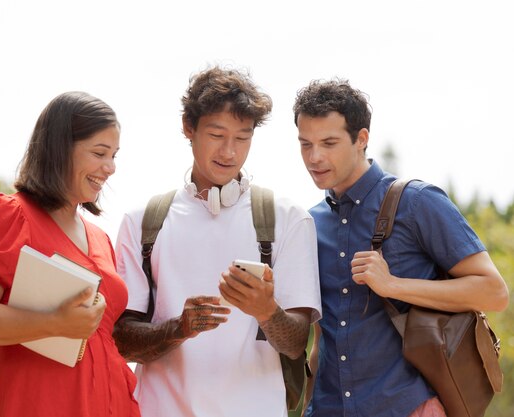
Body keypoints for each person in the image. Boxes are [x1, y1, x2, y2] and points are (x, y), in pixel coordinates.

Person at [292, 79, 509, 417]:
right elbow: (323, 339)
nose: (314, 157)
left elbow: (493, 292)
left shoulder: (417, 201)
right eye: (305, 144)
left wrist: (393, 286)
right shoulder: (310, 224)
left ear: (361, 139)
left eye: (329, 143)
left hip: (406, 407)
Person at [113, 66, 322, 417]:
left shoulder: (289, 219)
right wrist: (178, 328)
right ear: (188, 128)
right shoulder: (142, 222)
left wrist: (266, 311)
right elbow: (122, 341)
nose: (229, 151)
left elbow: (296, 343)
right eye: (217, 134)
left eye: (242, 138)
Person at [0, 92, 140, 417]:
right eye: (99, 153)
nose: (111, 167)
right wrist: (54, 323)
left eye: (114, 155)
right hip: (37, 403)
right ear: (61, 149)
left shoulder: (101, 238)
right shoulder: (11, 215)